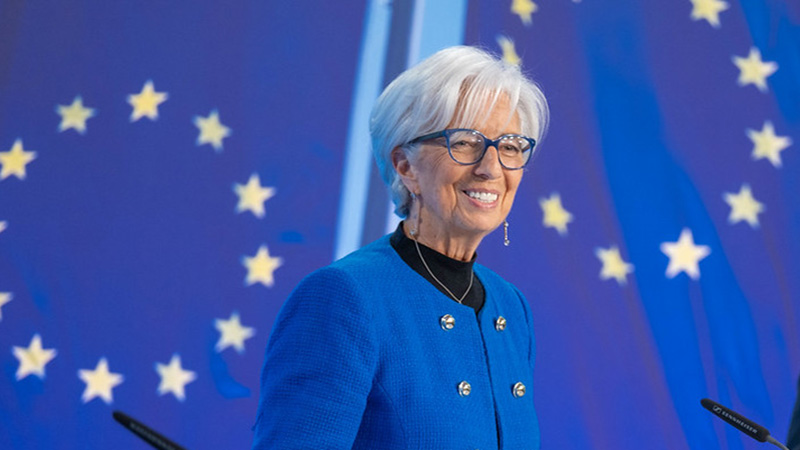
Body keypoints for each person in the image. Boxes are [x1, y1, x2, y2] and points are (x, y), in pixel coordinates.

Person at [251, 45, 549, 449]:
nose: (491, 168)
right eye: (464, 142)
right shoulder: (344, 298)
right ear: (405, 166)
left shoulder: (510, 306)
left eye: (511, 146)